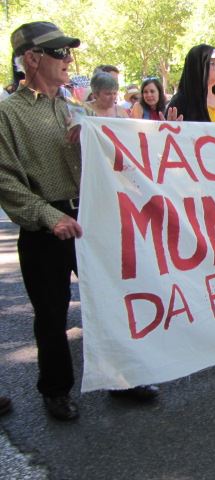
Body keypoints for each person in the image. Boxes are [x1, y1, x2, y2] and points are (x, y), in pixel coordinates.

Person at [0, 22, 158, 421]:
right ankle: (55, 390)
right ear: (31, 59)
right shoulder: (8, 114)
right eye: (59, 52)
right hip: (46, 226)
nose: (68, 59)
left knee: (111, 300)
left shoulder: (77, 109)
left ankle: (121, 377)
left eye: (68, 52)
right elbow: (5, 179)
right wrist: (48, 216)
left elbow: (112, 159)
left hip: (90, 216)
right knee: (52, 314)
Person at [167, 44, 215, 122]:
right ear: (198, 66)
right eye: (214, 64)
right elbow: (169, 128)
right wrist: (169, 126)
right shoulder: (180, 103)